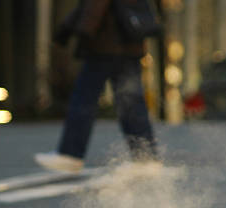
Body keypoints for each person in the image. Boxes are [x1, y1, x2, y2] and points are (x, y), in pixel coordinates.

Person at [34, 0, 158, 174]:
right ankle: (146, 157)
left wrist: (79, 33)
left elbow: (93, 6)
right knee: (130, 102)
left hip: (105, 45)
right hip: (130, 44)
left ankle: (71, 154)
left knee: (84, 99)